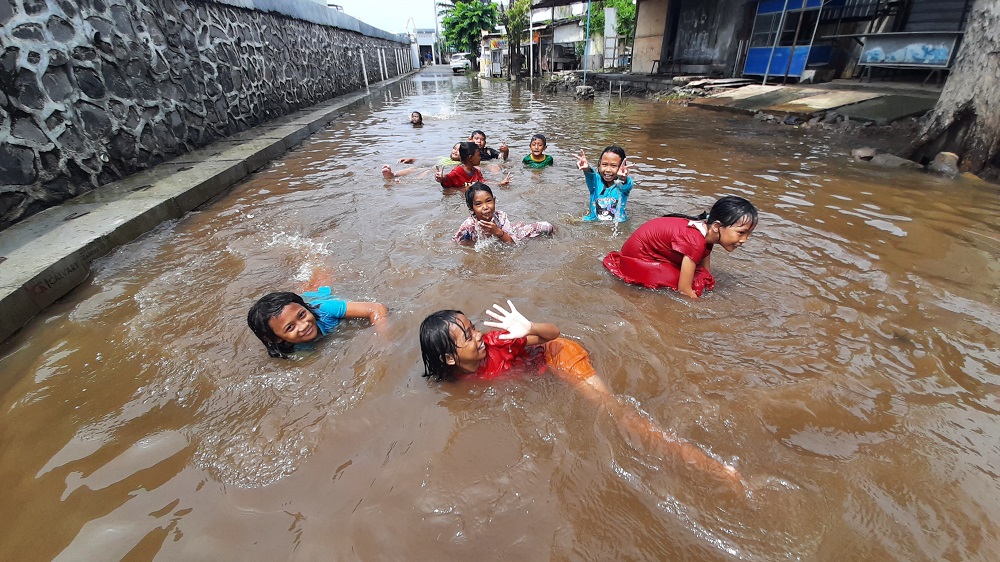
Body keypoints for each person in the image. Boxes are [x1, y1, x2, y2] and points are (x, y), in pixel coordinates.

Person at [419, 301, 741, 485]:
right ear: (449, 359)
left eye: (473, 327)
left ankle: (712, 468)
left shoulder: (497, 342)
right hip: (536, 374)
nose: (478, 335)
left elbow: (553, 335)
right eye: (468, 335)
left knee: (615, 413)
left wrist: (528, 327)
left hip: (557, 355)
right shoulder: (455, 383)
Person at [603, 195, 758, 298]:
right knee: (696, 285)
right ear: (717, 226)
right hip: (636, 258)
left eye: (748, 234)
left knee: (704, 279)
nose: (744, 240)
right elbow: (684, 290)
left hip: (639, 252)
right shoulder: (696, 240)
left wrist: (707, 279)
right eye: (741, 233)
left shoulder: (706, 231)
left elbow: (706, 268)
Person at [247, 287, 387, 358]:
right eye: (290, 327)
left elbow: (376, 308)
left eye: (302, 315)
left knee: (317, 280)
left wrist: (383, 341)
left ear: (305, 308)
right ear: (276, 338)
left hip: (320, 295)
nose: (304, 325)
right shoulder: (290, 352)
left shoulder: (325, 309)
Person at [453, 182, 553, 245]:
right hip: (491, 243)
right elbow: (456, 243)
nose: (485, 207)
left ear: (494, 201)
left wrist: (497, 231)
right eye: (478, 204)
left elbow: (513, 243)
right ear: (471, 207)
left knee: (547, 227)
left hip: (508, 233)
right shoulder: (469, 225)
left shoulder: (500, 217)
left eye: (488, 201)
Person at [574, 146, 633, 222]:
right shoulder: (595, 182)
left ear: (622, 167)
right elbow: (590, 174)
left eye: (613, 166)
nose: (608, 170)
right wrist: (586, 168)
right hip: (593, 221)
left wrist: (623, 179)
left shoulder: (622, 186)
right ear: (599, 164)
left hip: (618, 224)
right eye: (604, 164)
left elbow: (627, 185)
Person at [435, 141, 511, 189]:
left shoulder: (477, 172)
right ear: (470, 158)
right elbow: (447, 178)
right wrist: (441, 178)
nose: (480, 158)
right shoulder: (457, 171)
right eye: (478, 155)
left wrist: (499, 183)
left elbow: (483, 182)